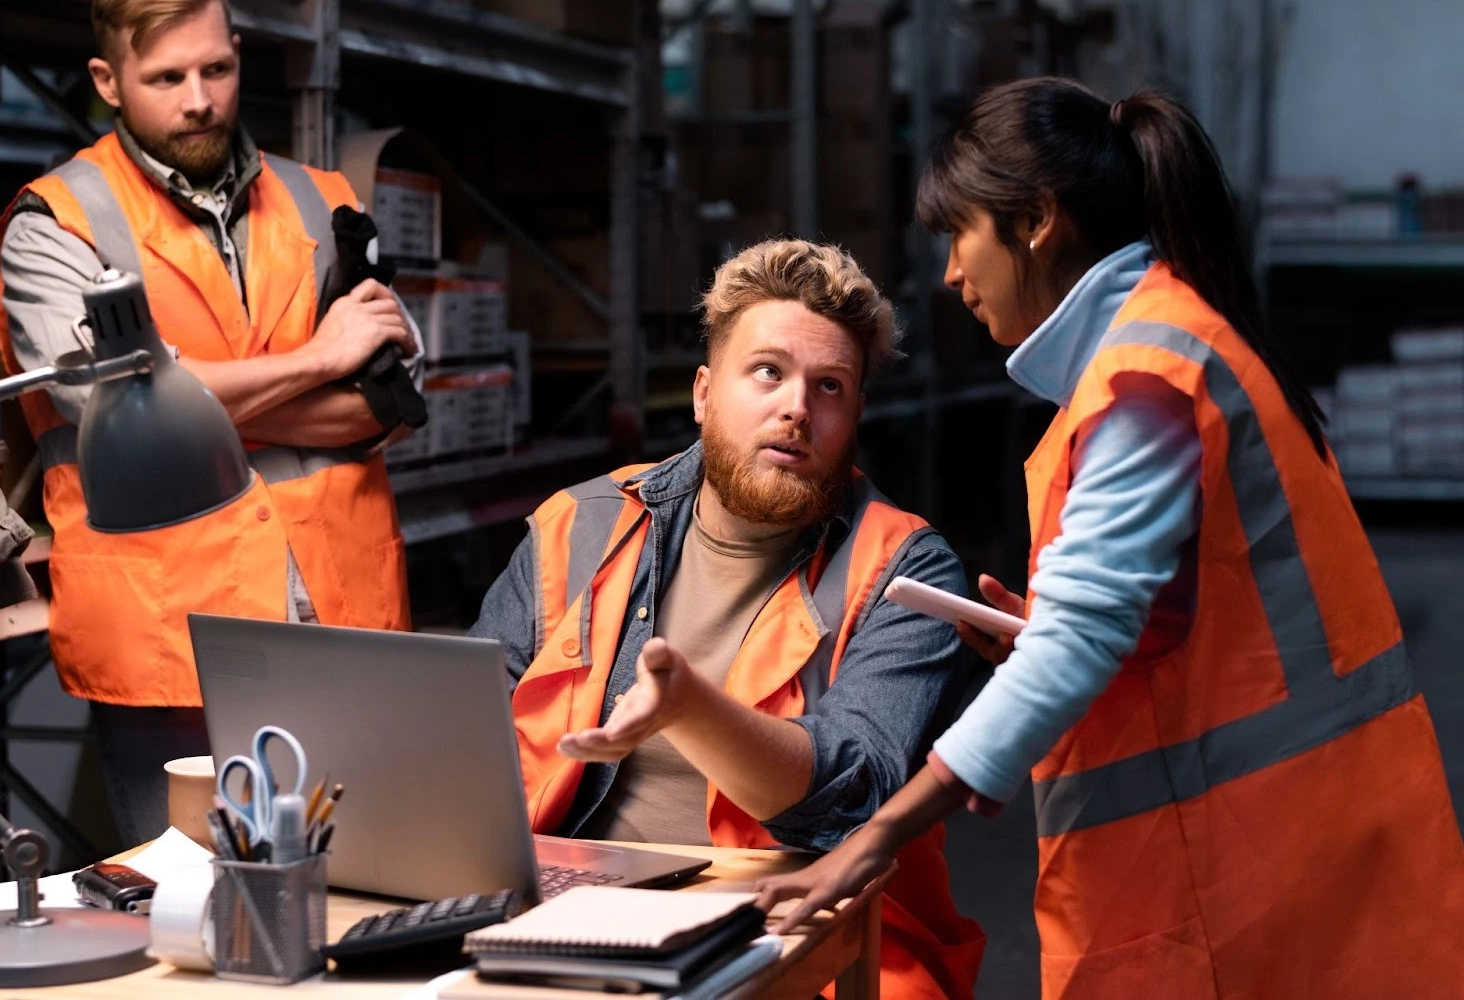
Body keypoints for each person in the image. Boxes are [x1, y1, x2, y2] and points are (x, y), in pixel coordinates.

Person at [752, 78, 1464, 998]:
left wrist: (875, 836)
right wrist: (1036, 635)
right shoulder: (1174, 346)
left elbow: (1087, 638)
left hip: (1249, 875)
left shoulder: (1146, 381)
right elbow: (1173, 616)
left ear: (1038, 220)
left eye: (959, 235)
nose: (950, 276)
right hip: (1286, 849)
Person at [0, 0, 419, 846]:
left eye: (216, 69)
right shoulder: (55, 223)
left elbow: (385, 400)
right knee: (188, 907)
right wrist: (320, 359)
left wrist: (177, 394)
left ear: (239, 54)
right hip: (170, 627)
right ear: (107, 79)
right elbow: (96, 404)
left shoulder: (317, 200)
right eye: (166, 77)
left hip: (335, 605)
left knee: (358, 891)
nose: (198, 99)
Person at [470, 240, 986, 999]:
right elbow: (471, 744)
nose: (796, 409)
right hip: (574, 921)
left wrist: (688, 707)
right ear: (706, 392)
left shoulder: (904, 571)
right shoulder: (578, 528)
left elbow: (852, 791)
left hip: (807, 942)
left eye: (830, 386)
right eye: (768, 372)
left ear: (855, 418)